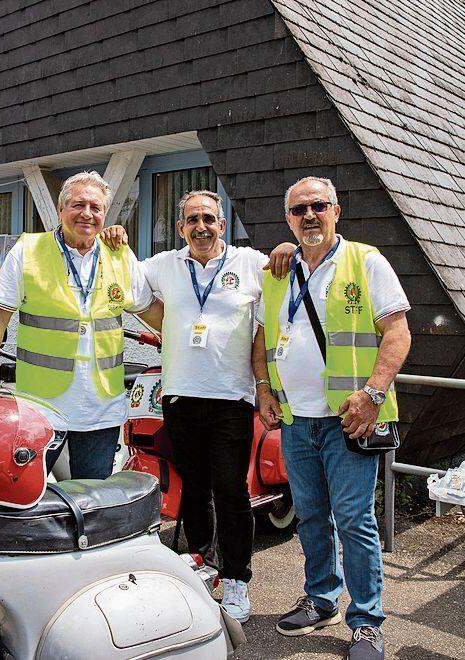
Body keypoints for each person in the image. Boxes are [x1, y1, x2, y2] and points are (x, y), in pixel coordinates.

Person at [103, 190, 293, 624]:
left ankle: (237, 578)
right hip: (180, 395)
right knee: (193, 487)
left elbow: (279, 289)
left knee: (231, 490)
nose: (201, 226)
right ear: (180, 227)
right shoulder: (165, 265)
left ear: (222, 224)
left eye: (209, 218)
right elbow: (130, 289)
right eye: (193, 219)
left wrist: (286, 248)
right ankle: (200, 558)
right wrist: (118, 244)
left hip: (231, 398)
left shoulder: (247, 262)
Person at [253, 176, 411, 660]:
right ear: (288, 220)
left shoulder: (366, 261)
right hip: (297, 420)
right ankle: (321, 599)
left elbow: (398, 332)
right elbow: (261, 341)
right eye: (299, 210)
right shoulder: (277, 272)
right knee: (312, 515)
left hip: (350, 419)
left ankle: (366, 621)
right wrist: (263, 389)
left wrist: (372, 394)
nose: (309, 216)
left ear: (336, 210)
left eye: (318, 206)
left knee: (354, 519)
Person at [0, 171, 161, 479]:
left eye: (96, 208)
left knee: (92, 500)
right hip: (39, 408)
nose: (87, 214)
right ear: (60, 209)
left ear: (105, 214)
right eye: (78, 205)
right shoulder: (28, 251)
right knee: (27, 493)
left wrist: (193, 332)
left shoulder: (119, 255)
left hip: (100, 410)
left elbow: (150, 310)